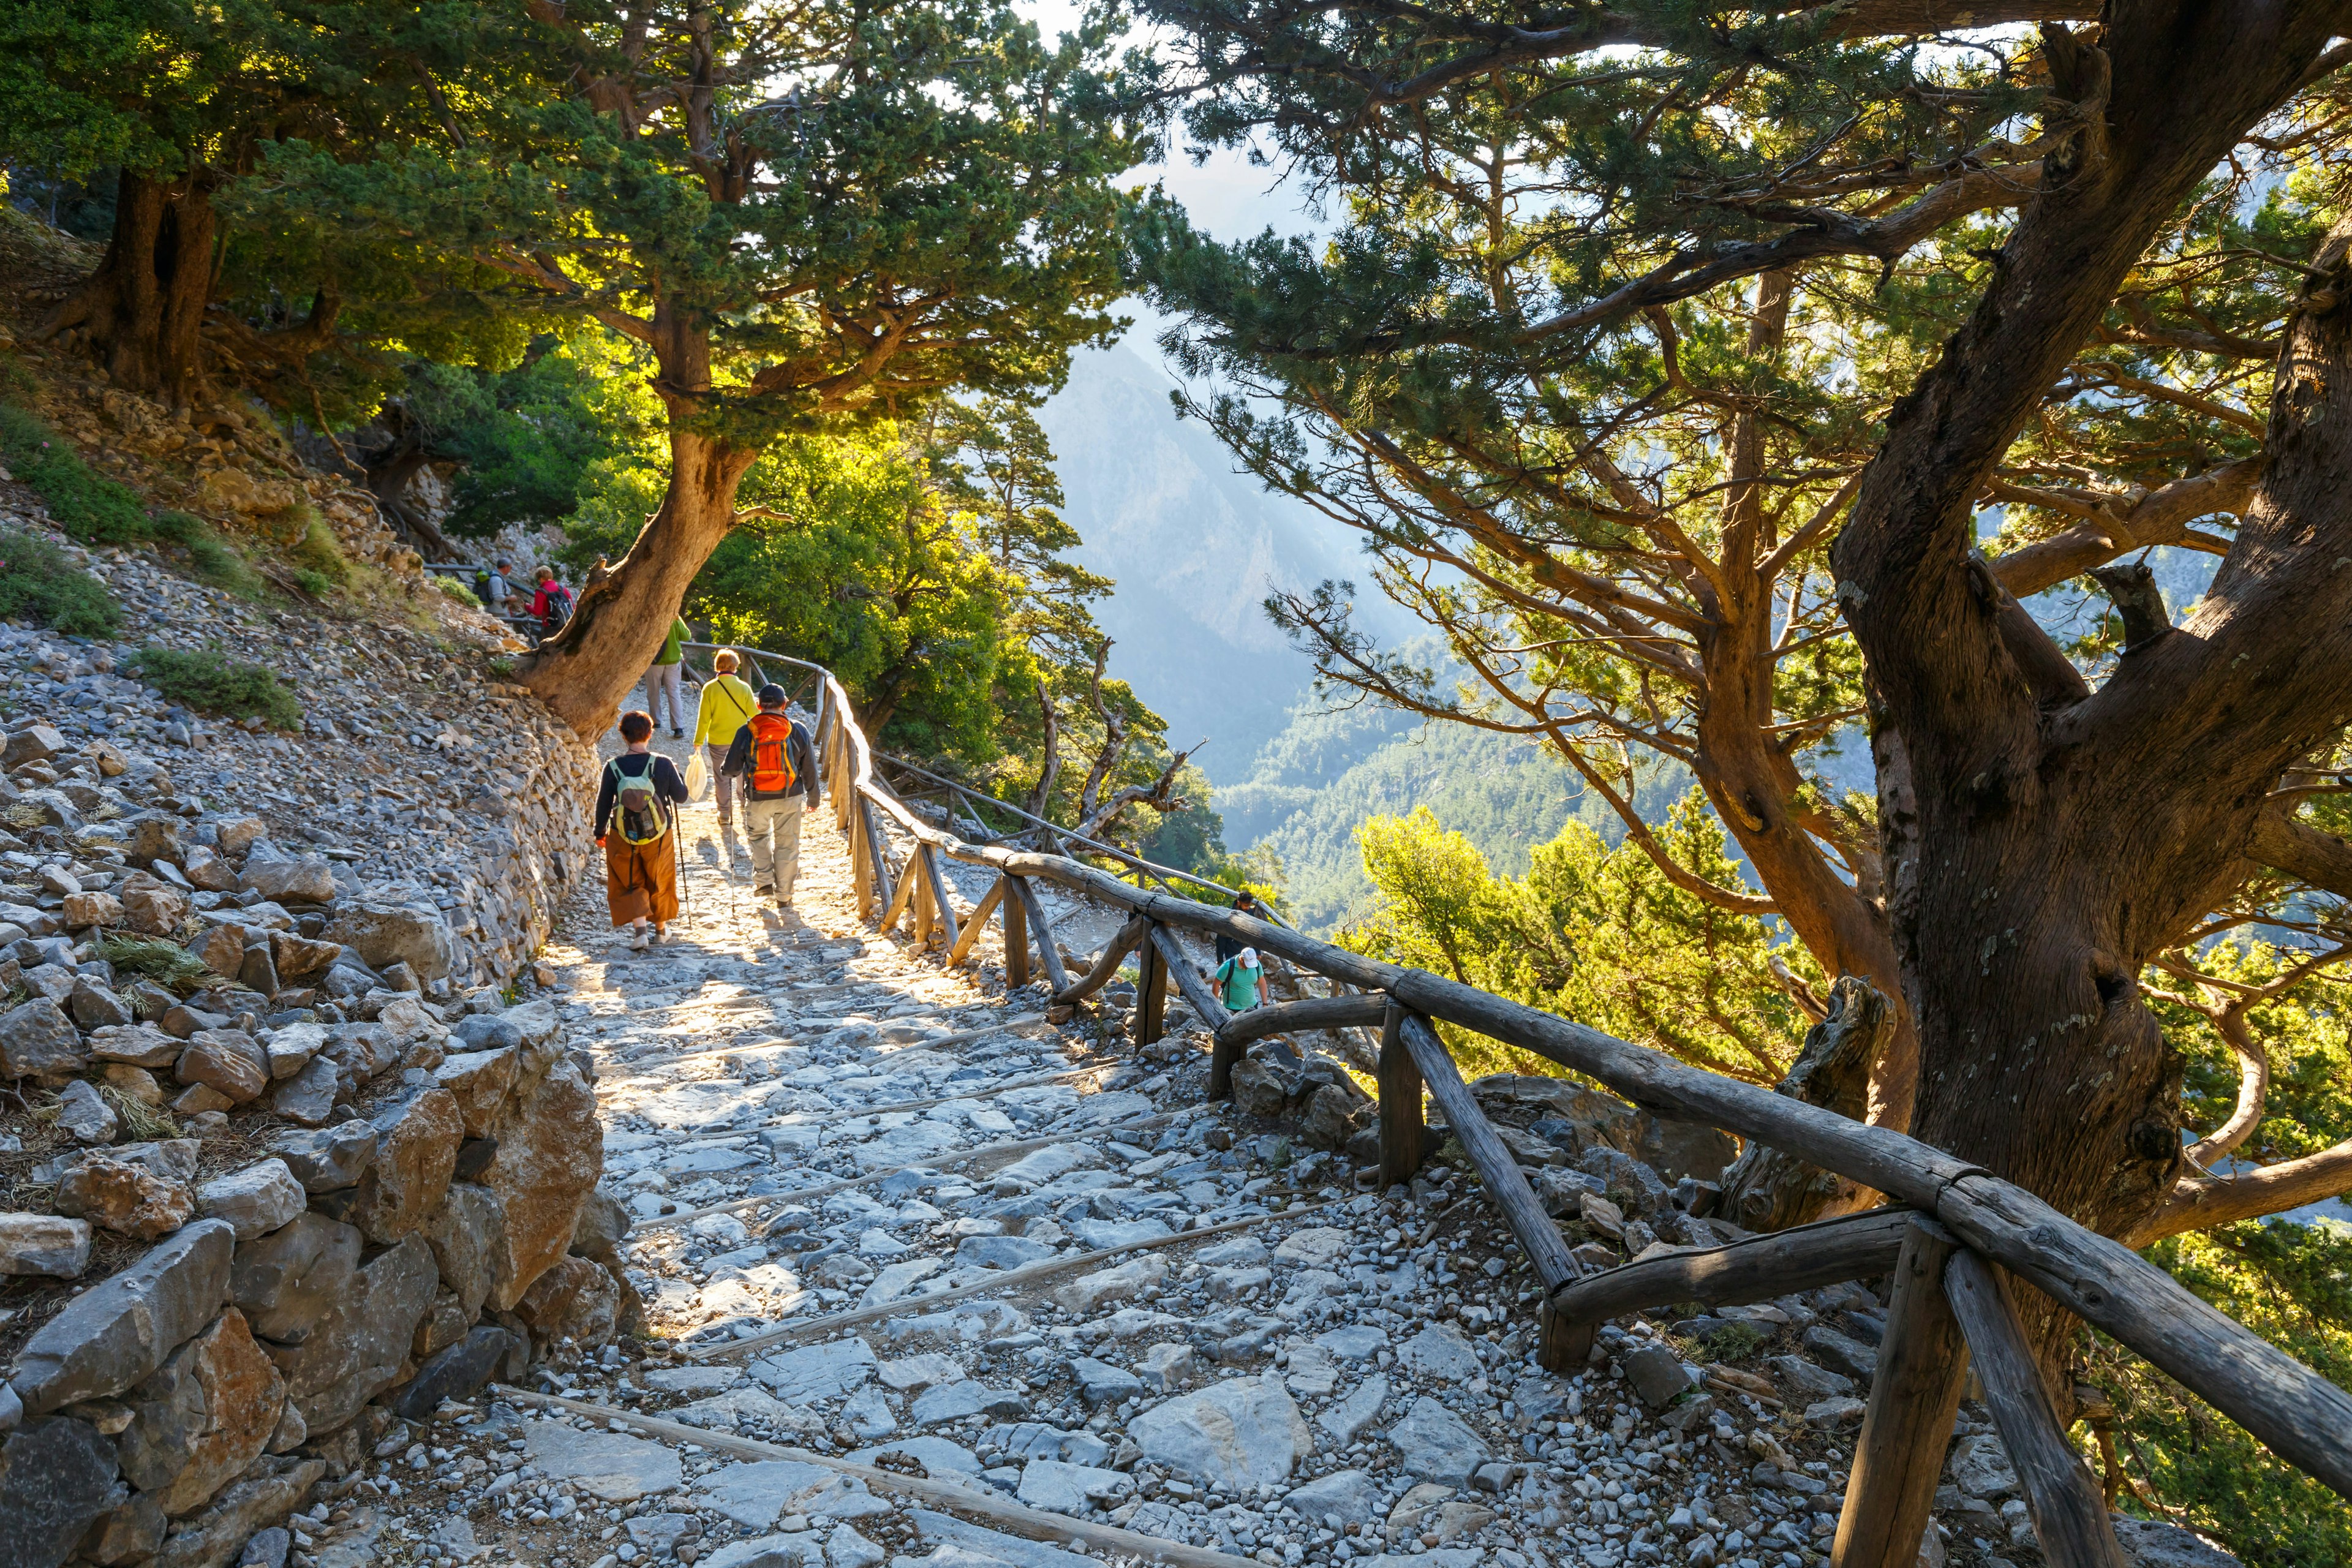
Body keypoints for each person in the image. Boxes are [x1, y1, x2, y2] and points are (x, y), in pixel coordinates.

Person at [720, 682, 821, 907]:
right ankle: (784, 896)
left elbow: (731, 770)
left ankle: (764, 881)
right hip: (790, 797)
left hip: (757, 798)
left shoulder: (746, 731)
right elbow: (810, 769)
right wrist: (814, 798)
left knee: (758, 838)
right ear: (784, 704)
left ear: (758, 705)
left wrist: (724, 770)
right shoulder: (798, 730)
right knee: (787, 845)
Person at [595, 710, 689, 949]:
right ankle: (660, 931)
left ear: (623, 736)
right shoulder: (663, 763)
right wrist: (676, 773)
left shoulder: (613, 767)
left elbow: (603, 802)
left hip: (622, 834)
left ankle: (640, 934)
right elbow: (682, 796)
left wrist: (599, 833)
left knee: (629, 880)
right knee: (659, 878)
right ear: (650, 734)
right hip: (658, 835)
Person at [692, 649, 761, 827]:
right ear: (735, 667)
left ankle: (724, 813)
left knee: (721, 777)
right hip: (742, 740)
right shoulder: (744, 688)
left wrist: (698, 740)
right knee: (743, 774)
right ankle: (745, 804)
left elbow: (704, 717)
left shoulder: (710, 688)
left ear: (717, 667)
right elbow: (754, 716)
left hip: (717, 740)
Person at [643, 614, 692, 739]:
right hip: (673, 661)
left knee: (653, 692)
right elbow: (687, 636)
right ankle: (678, 727)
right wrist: (678, 619)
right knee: (674, 693)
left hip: (654, 661)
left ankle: (655, 721)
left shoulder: (652, 617)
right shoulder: (674, 619)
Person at [1215, 888, 1265, 963]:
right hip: (1231, 950)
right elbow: (1221, 939)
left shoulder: (1250, 912)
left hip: (1245, 950)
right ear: (1239, 903)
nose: (1248, 908)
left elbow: (1254, 931)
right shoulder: (1228, 915)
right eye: (1245, 905)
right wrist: (1220, 959)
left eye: (1249, 906)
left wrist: (1257, 952)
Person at [1213, 945, 1265, 1012]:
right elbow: (1216, 985)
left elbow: (1262, 983)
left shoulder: (1256, 965)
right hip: (1231, 1008)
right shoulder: (1227, 967)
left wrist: (1265, 1004)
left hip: (1252, 1006)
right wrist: (1216, 1006)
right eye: (1248, 964)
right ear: (1242, 959)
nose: (1250, 967)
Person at [530, 567, 575, 637]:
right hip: (567, 625)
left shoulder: (540, 592)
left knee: (547, 647)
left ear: (541, 579)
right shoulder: (563, 589)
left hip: (550, 627)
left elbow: (537, 612)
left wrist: (527, 606)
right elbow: (573, 607)